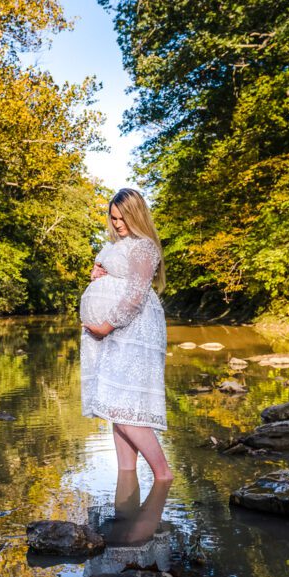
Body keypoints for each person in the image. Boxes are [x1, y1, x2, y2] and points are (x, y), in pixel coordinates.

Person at [79, 188, 173, 481]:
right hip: (111, 333)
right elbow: (120, 280)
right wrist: (99, 276)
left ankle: (163, 476)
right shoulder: (116, 245)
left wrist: (105, 325)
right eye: (113, 217)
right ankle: (126, 485)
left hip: (133, 331)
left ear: (137, 215)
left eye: (123, 218)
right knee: (116, 414)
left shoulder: (144, 246)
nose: (117, 223)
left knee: (125, 408)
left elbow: (135, 295)